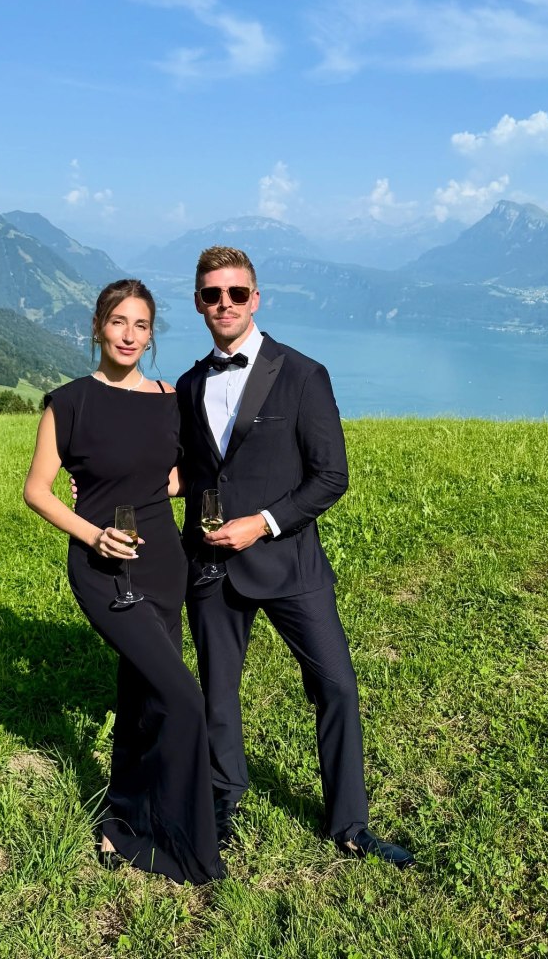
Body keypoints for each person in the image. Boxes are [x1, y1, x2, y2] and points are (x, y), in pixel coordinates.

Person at [176, 246, 415, 868]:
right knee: (217, 694)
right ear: (198, 303)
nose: (224, 303)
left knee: (337, 686)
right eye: (212, 294)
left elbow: (331, 476)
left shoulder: (304, 374)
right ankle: (223, 805)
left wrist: (263, 523)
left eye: (235, 293)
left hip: (290, 562)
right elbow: (192, 470)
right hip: (211, 565)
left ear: (255, 299)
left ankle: (350, 825)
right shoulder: (190, 383)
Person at [24, 279, 224, 884]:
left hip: (164, 564)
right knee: (183, 699)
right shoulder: (69, 403)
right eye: (118, 322)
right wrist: (93, 533)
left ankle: (121, 823)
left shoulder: (169, 400)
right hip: (102, 568)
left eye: (141, 325)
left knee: (143, 698)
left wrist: (160, 485)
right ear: (98, 327)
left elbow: (186, 474)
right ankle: (185, 843)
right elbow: (37, 491)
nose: (129, 335)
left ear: (151, 334)